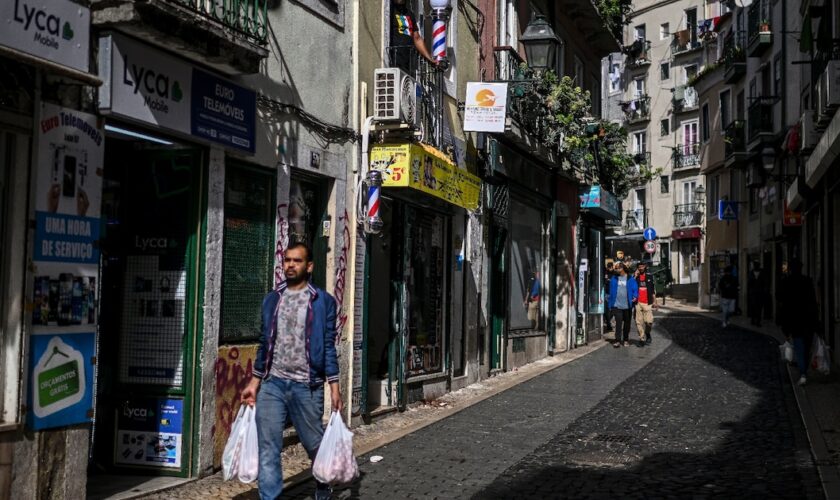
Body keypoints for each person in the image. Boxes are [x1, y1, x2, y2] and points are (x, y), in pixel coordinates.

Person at [241, 243, 343, 500]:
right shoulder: (272, 298)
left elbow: (328, 346)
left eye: (296, 261)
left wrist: (334, 388)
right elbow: (265, 343)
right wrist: (254, 383)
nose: (290, 265)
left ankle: (322, 482)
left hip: (307, 386)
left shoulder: (323, 302)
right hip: (273, 384)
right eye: (287, 260)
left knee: (314, 444)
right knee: (268, 447)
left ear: (309, 266)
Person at [778, 260, 818, 385]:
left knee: (800, 348)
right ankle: (803, 370)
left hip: (794, 321)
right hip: (808, 320)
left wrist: (785, 326)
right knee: (806, 347)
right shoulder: (807, 281)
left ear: (790, 269)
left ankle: (803, 374)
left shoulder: (786, 282)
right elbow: (813, 302)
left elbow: (782, 303)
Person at [390, 0, 440, 73]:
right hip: (394, 60)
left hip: (408, 62)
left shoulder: (409, 14)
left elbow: (417, 38)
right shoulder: (390, 11)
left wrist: (430, 59)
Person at [608, 262, 638, 347]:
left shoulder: (630, 279)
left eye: (618, 268)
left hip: (627, 305)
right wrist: (610, 304)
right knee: (618, 323)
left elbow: (635, 289)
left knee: (627, 324)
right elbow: (611, 292)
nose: (616, 269)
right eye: (616, 268)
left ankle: (625, 339)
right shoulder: (614, 279)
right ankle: (617, 340)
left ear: (623, 269)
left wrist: (635, 296)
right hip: (617, 305)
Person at [634, 261, 658, 346]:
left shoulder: (649, 277)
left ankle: (647, 333)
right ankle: (641, 338)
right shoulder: (635, 278)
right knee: (639, 322)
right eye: (639, 267)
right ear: (637, 268)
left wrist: (655, 302)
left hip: (647, 302)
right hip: (638, 302)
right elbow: (631, 287)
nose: (641, 268)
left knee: (649, 322)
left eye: (642, 266)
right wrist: (635, 276)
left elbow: (652, 290)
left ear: (645, 267)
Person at [747, 261, 766, 326]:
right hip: (753, 293)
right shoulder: (751, 273)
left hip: (760, 293)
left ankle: (758, 321)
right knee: (753, 307)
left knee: (759, 308)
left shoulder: (762, 273)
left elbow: (764, 283)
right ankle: (753, 319)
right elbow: (749, 283)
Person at [604, 262, 614, 333]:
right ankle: (608, 324)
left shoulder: (615, 273)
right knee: (607, 309)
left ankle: (608, 321)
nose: (610, 268)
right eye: (609, 267)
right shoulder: (605, 273)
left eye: (611, 267)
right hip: (607, 293)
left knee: (613, 309)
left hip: (613, 294)